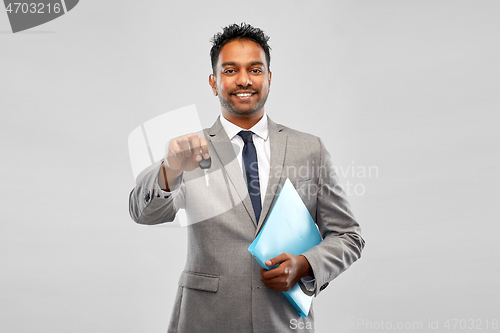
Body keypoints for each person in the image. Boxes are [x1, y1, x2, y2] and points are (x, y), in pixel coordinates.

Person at [129, 23, 364, 333]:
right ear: (214, 83)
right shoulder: (188, 151)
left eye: (255, 69)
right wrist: (169, 169)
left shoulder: (310, 149)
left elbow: (348, 235)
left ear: (269, 78)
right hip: (206, 321)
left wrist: (306, 264)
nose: (243, 80)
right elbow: (143, 213)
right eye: (230, 71)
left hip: (283, 321)